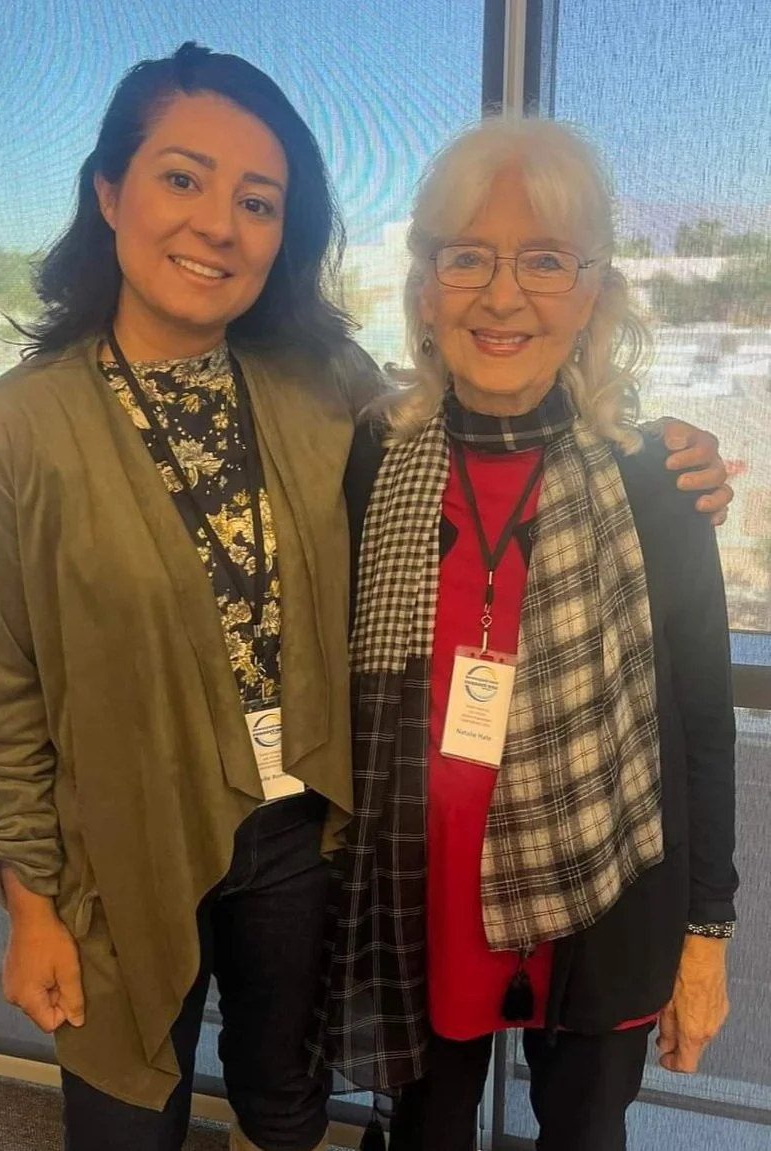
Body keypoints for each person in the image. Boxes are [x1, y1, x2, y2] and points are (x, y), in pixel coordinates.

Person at [0, 44, 729, 1151]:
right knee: (122, 1112)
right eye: (181, 178)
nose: (217, 223)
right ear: (108, 191)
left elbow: (504, 380)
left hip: (315, 832)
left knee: (286, 1099)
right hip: (132, 840)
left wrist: (674, 449)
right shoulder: (10, 436)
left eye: (255, 200)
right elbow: (3, 697)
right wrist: (26, 905)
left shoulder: (327, 396)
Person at [312, 118, 737, 1151]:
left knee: (583, 1135)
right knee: (424, 1132)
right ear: (422, 283)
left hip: (603, 883)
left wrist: (704, 939)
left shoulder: (656, 480)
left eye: (543, 260)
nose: (502, 296)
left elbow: (700, 724)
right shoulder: (373, 454)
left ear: (590, 289)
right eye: (467, 256)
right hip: (420, 897)